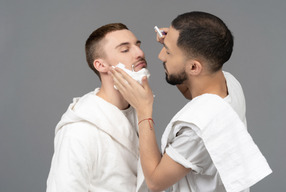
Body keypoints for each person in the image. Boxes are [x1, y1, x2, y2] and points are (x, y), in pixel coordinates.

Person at [110, 11, 272, 192]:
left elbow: (155, 182)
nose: (160, 56)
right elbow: (192, 91)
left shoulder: (196, 131)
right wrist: (173, 43)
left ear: (194, 67)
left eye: (168, 52)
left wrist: (143, 110)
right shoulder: (227, 82)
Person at [46, 23, 150, 192]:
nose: (140, 53)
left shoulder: (139, 111)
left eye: (138, 45)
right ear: (101, 65)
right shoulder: (79, 129)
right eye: (125, 50)